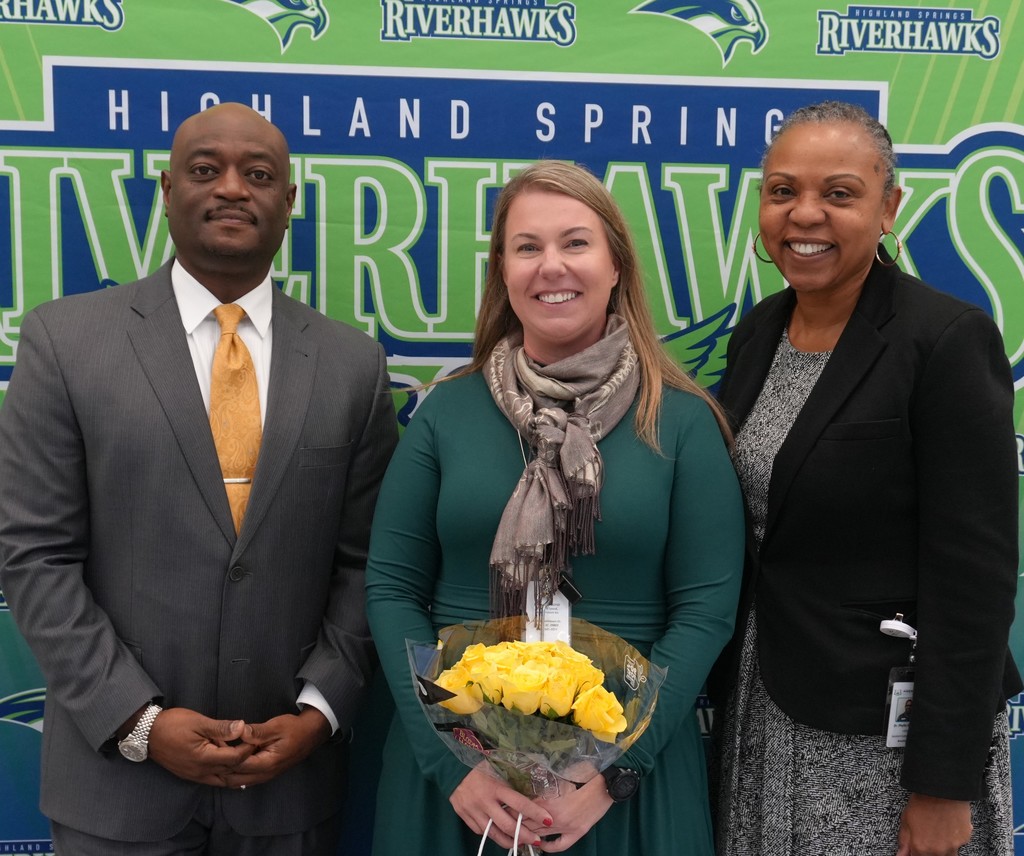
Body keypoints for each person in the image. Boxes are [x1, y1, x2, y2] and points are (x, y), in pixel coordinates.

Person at [0, 103, 397, 854]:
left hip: (289, 788)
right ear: (166, 188)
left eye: (259, 174)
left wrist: (318, 710)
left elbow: (368, 562)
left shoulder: (353, 366)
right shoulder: (64, 341)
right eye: (206, 170)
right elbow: (34, 555)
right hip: (114, 787)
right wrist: (138, 722)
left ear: (290, 200)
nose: (233, 189)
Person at [365, 160, 745, 855]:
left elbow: (705, 612)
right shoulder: (447, 413)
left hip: (621, 788)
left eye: (575, 243)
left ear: (615, 267)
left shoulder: (682, 423)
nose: (551, 266)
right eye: (527, 247)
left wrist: (614, 772)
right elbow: (392, 588)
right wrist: (449, 755)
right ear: (503, 272)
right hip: (463, 782)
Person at [711, 101, 1020, 856]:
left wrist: (944, 783)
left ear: (889, 208)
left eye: (839, 194)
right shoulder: (757, 335)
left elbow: (974, 575)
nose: (804, 214)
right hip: (763, 702)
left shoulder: (943, 339)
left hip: (885, 737)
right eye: (782, 191)